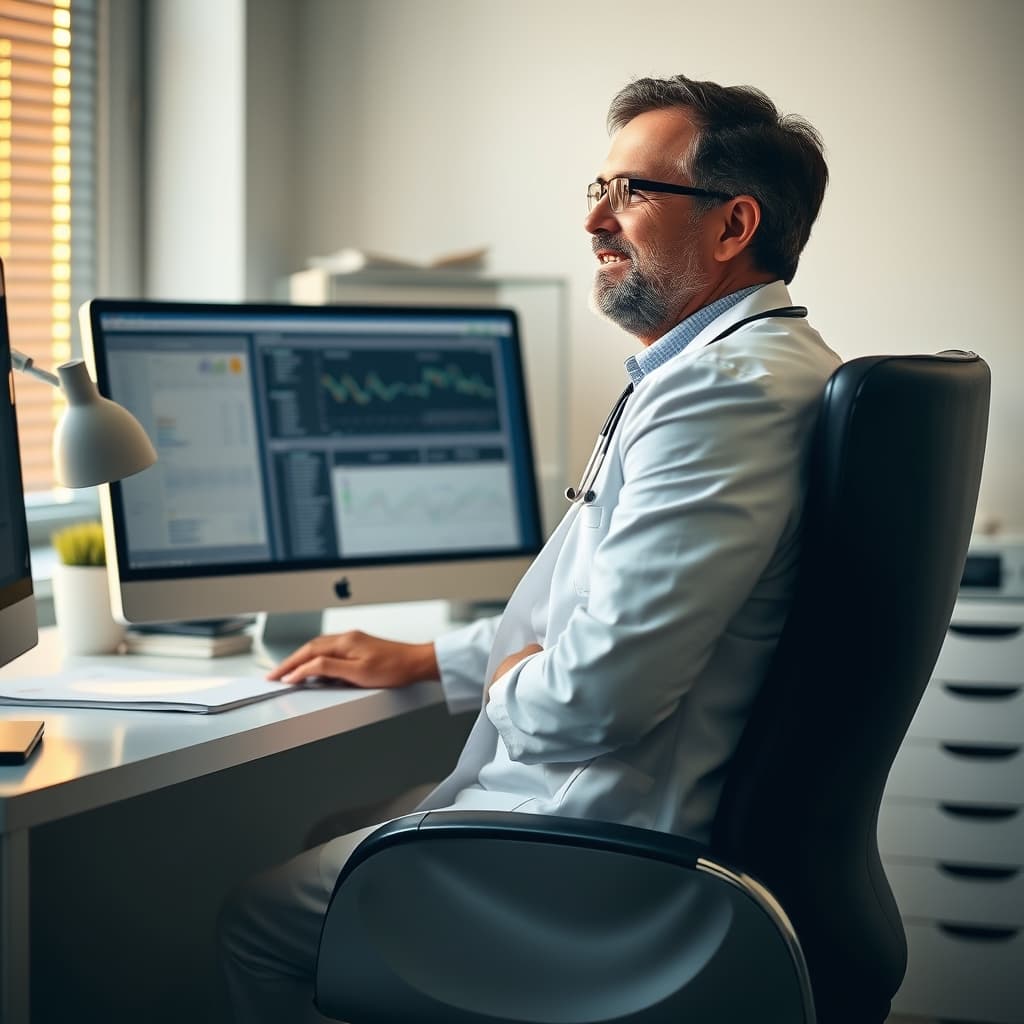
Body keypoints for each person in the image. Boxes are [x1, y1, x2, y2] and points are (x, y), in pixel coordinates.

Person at [219, 73, 841, 1022]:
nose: (597, 219)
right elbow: (601, 619)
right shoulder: (745, 368)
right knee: (347, 825)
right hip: (634, 811)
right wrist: (438, 656)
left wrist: (510, 677)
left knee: (257, 922)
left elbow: (597, 696)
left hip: (600, 851)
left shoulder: (724, 397)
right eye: (596, 190)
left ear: (733, 226)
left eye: (633, 192)